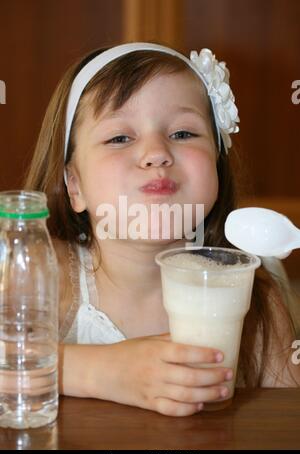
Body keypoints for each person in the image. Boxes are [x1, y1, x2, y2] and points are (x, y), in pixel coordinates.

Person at [24, 42, 299, 417]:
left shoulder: (259, 306)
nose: (156, 153)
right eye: (120, 137)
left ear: (217, 164)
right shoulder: (40, 273)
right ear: (75, 186)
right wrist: (97, 371)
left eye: (184, 133)